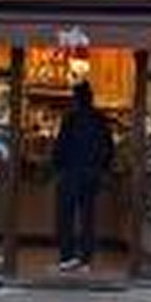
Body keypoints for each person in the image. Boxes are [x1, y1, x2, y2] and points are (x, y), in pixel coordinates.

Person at [52, 80, 113, 271]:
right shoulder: (100, 119)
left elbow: (60, 146)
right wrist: (102, 168)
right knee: (88, 217)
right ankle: (86, 259)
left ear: (76, 99)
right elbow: (109, 147)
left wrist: (57, 166)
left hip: (71, 173)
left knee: (66, 216)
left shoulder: (70, 119)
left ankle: (67, 257)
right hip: (92, 174)